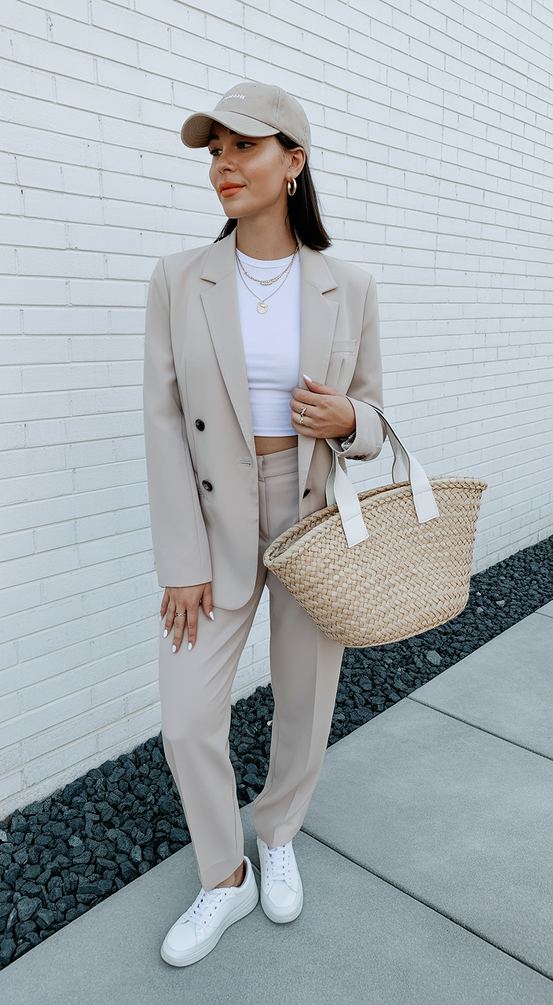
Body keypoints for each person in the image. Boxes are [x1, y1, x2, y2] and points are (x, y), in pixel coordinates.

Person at [143, 79, 385, 967]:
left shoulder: (347, 285)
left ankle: (278, 831)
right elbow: (163, 422)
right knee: (185, 718)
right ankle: (225, 875)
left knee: (304, 697)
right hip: (213, 517)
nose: (223, 165)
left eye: (242, 146)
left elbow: (372, 417)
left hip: (310, 510)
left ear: (293, 162)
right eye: (215, 151)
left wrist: (348, 421)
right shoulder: (179, 279)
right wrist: (181, 560)